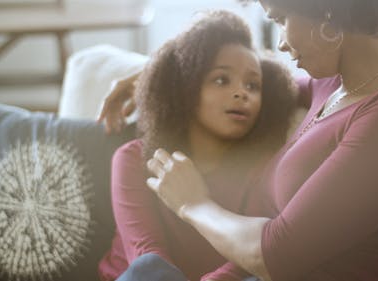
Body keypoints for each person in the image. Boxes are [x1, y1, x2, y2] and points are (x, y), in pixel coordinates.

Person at [100, 1, 378, 280]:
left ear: (325, 9)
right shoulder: (330, 88)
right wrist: (158, 74)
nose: (282, 42)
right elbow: (258, 77)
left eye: (281, 18)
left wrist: (192, 204)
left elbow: (272, 256)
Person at [97, 10, 297, 281]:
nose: (242, 93)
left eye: (253, 85)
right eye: (221, 80)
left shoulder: (264, 170)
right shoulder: (133, 159)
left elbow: (247, 262)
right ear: (187, 88)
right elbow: (145, 256)